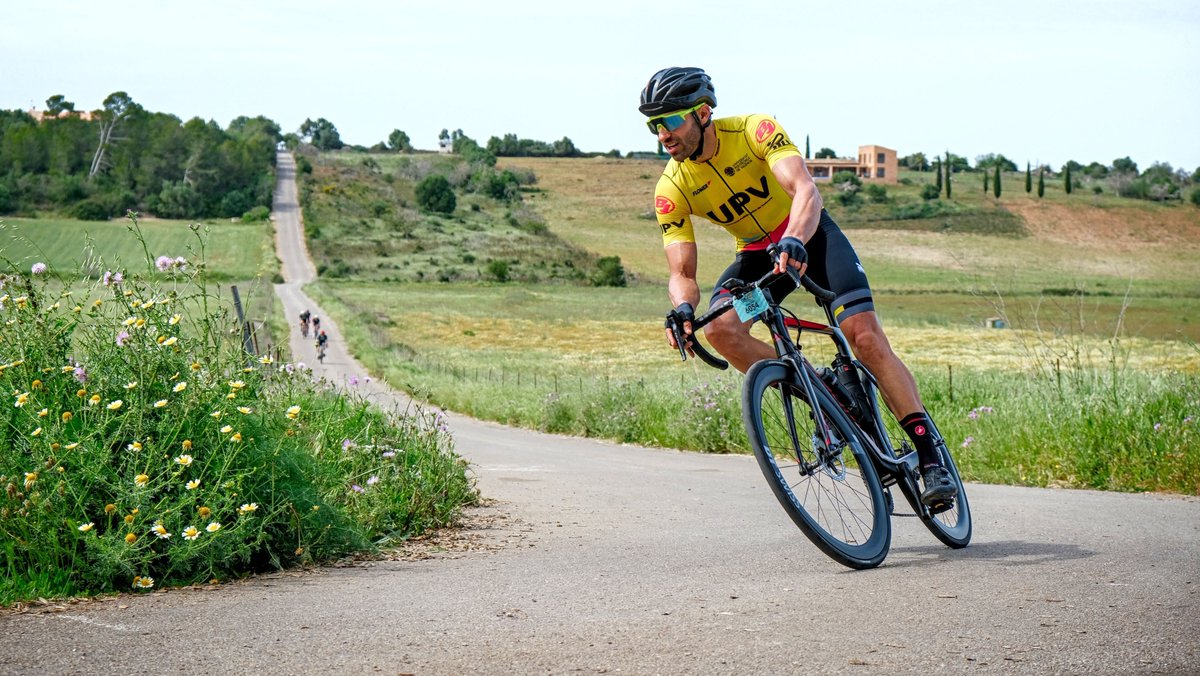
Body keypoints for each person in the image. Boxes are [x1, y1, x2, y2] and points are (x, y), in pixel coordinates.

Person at [640, 66, 956, 506]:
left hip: (810, 238)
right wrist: (682, 310)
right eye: (654, 126)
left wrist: (796, 236)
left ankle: (928, 457)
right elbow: (683, 273)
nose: (663, 135)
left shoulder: (754, 130)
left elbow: (806, 189)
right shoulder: (671, 187)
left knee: (863, 336)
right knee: (722, 329)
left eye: (671, 121)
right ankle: (821, 391)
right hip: (758, 258)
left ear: (704, 113)